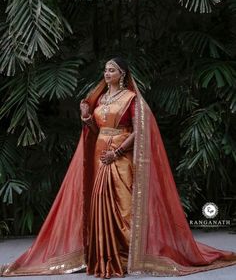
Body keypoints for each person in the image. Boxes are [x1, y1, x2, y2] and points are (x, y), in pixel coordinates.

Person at [1, 57, 236, 278]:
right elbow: (95, 132)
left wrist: (118, 151)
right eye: (105, 69)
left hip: (120, 156)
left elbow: (139, 130)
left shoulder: (131, 98)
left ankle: (126, 255)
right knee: (100, 202)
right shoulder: (101, 99)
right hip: (99, 154)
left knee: (123, 204)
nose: (107, 73)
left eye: (112, 70)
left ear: (122, 74)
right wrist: (86, 119)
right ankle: (103, 253)